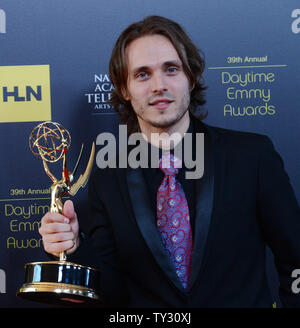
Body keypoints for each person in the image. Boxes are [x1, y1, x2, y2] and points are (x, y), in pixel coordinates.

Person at [39, 16, 300, 307]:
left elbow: (295, 258)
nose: (158, 85)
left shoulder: (253, 156)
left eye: (171, 69)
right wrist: (74, 247)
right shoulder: (108, 174)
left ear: (191, 77)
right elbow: (110, 288)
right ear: (124, 89)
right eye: (142, 74)